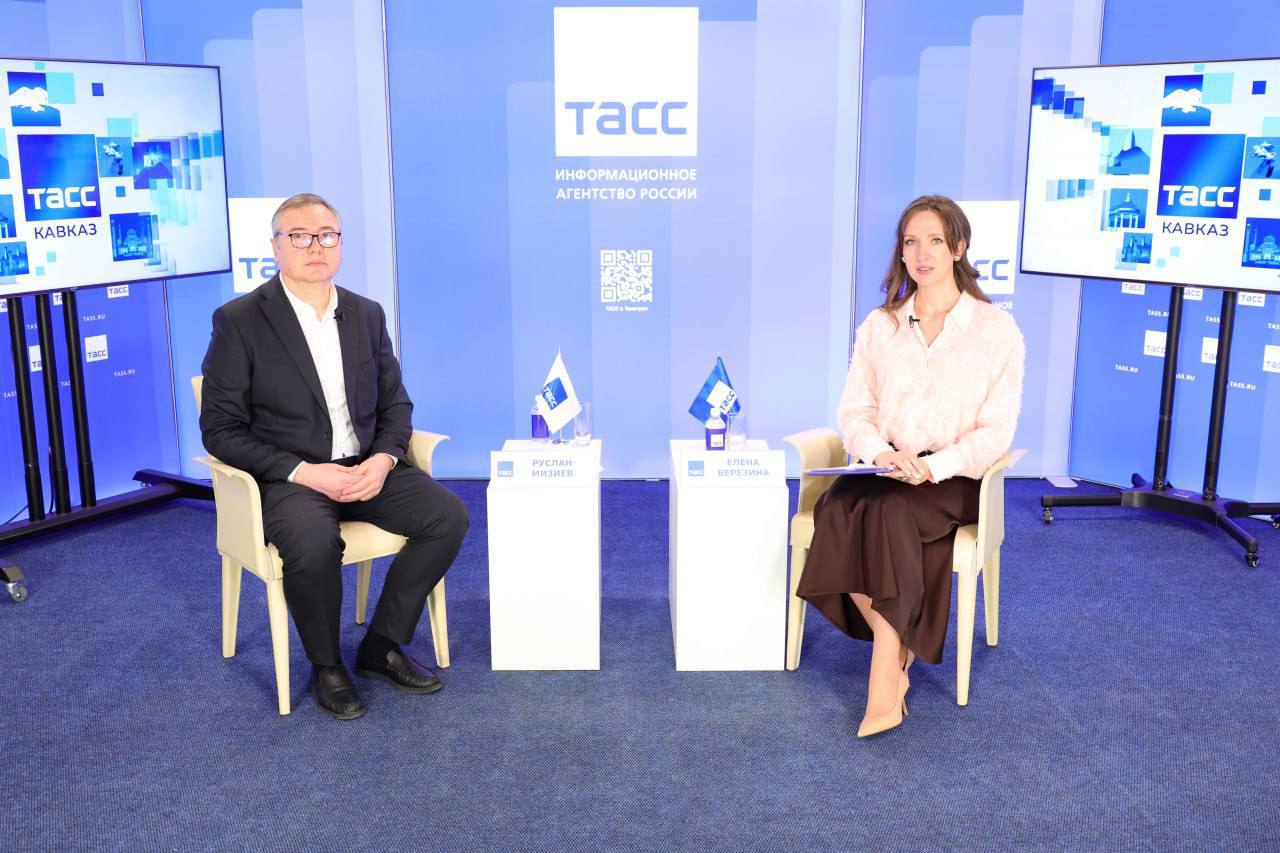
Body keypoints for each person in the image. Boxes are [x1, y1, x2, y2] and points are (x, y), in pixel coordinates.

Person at [200, 193, 469, 720]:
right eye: (299, 236)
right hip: (291, 478)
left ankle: (381, 646)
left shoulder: (365, 314)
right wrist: (303, 471)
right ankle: (327, 666)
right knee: (314, 541)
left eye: (326, 235)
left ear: (340, 245)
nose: (315, 246)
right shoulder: (240, 320)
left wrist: (384, 459)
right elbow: (220, 430)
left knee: (448, 516)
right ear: (276, 247)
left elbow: (396, 405)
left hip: (365, 467)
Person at [796, 194, 1024, 737]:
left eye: (935, 241)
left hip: (954, 478)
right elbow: (855, 412)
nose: (922, 254)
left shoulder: (996, 332)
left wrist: (934, 466)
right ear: (900, 252)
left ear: (959, 248)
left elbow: (995, 432)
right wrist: (881, 453)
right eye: (911, 242)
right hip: (887, 467)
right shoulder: (881, 327)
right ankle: (895, 645)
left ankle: (884, 677)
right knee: (837, 509)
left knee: (889, 513)